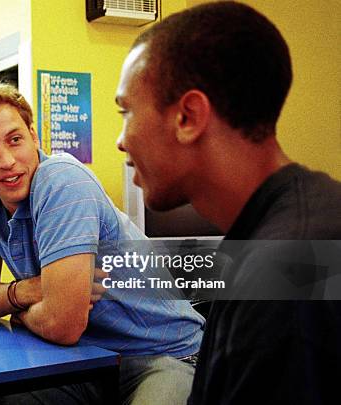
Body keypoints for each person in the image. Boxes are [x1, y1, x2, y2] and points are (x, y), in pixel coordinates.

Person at [115, 2, 341, 404]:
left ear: (188, 116)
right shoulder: (299, 224)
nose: (122, 140)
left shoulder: (284, 275)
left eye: (127, 112)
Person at [0, 79, 205, 404]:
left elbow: (62, 324)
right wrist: (33, 290)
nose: (6, 161)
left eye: (15, 140)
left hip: (166, 355)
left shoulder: (61, 182)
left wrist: (18, 315)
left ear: (34, 136)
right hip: (88, 359)